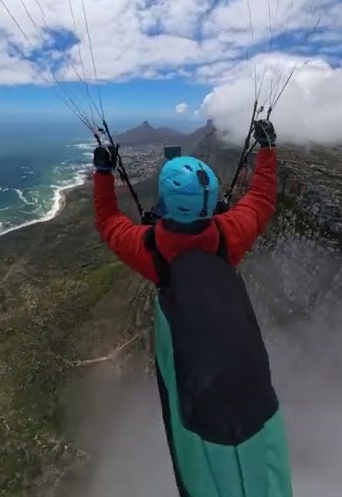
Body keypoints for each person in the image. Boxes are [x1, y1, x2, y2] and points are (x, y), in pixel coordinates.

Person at [91, 119, 291, 497]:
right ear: (211, 205)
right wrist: (266, 149)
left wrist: (103, 172)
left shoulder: (151, 252)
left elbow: (108, 221)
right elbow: (261, 198)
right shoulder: (230, 235)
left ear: (165, 205)